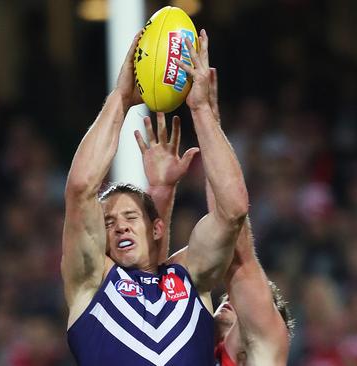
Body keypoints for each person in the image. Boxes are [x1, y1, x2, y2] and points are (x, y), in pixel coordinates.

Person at [62, 30, 249, 366]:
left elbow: (233, 210)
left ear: (157, 229)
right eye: (109, 222)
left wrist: (203, 110)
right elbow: (79, 189)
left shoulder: (190, 276)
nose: (119, 226)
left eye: (130, 217)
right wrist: (120, 98)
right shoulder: (91, 283)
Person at [138, 67, 294, 365]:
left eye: (236, 302)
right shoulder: (192, 350)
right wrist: (162, 192)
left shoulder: (267, 348)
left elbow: (237, 248)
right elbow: (153, 285)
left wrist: (204, 112)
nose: (227, 302)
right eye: (227, 299)